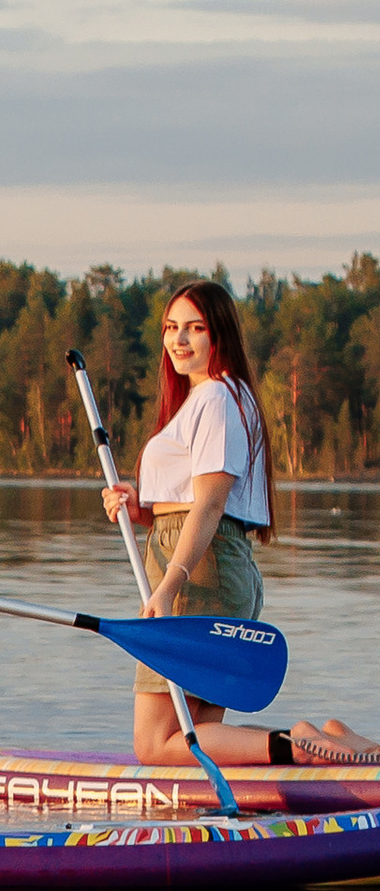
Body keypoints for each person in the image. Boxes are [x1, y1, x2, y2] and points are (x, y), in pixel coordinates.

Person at [98, 279, 373, 766]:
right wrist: (145, 509)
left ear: (218, 334)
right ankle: (333, 739)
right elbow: (194, 503)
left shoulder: (218, 399)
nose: (179, 340)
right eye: (171, 328)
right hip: (210, 566)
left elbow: (208, 506)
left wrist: (168, 587)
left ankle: (298, 746)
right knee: (196, 733)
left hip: (197, 575)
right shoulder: (214, 397)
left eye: (194, 329)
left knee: (155, 743)